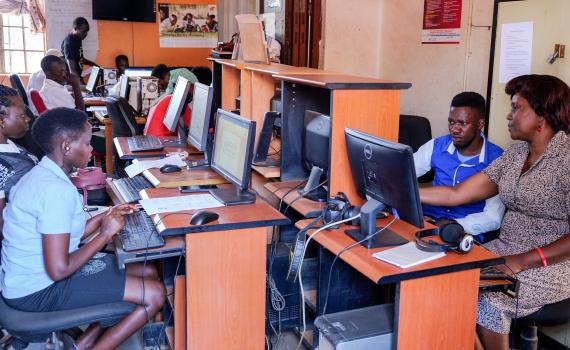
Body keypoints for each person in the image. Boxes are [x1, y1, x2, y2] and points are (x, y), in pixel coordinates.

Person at [419, 74, 570, 350]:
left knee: (488, 300)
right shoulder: (515, 154)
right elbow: (458, 194)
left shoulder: (566, 160)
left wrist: (523, 260)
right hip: (505, 248)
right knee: (441, 278)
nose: (509, 116)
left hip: (552, 262)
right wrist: (400, 189)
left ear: (542, 115)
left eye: (516, 108)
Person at [0, 108, 165, 350]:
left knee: (148, 270)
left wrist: (103, 218)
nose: (91, 149)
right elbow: (59, 269)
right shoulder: (54, 190)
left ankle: (82, 344)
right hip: (37, 291)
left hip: (27, 279)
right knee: (154, 294)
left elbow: (63, 235)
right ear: (66, 146)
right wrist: (105, 234)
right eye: (87, 144)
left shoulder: (44, 174)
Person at [413, 92, 504, 241]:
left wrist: (454, 225)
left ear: (480, 124)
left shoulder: (497, 159)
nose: (454, 129)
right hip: (426, 222)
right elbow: (402, 175)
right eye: (451, 122)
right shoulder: (437, 146)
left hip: (465, 232)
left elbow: (492, 217)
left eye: (462, 123)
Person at [0, 85, 38, 242]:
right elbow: (3, 230)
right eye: (22, 115)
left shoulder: (10, 143)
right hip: (31, 243)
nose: (28, 118)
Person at [144, 68, 197, 137]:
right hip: (161, 141)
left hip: (153, 139)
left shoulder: (168, 97)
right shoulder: (178, 102)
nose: (159, 85)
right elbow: (195, 128)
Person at [61, 17, 97, 84]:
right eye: (84, 32)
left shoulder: (77, 39)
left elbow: (79, 58)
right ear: (75, 29)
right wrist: (80, 83)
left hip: (77, 76)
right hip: (71, 80)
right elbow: (72, 68)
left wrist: (93, 64)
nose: (86, 34)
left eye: (87, 31)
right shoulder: (69, 43)